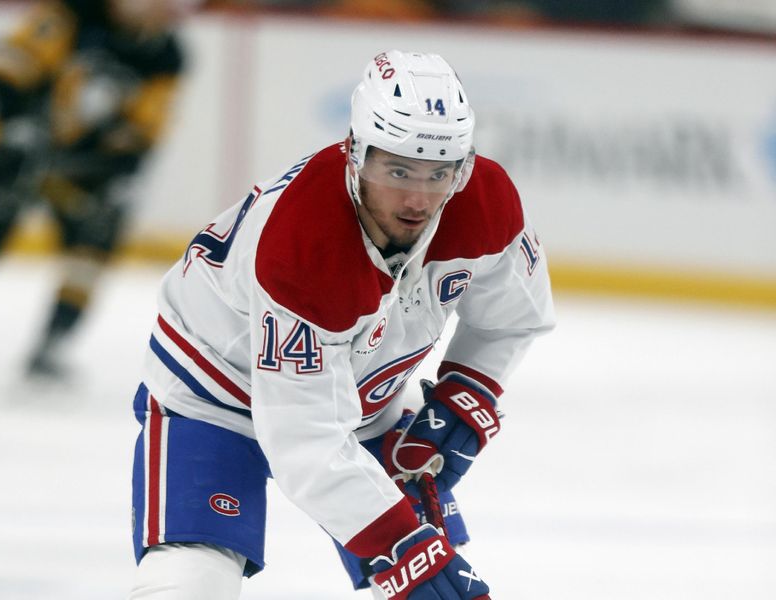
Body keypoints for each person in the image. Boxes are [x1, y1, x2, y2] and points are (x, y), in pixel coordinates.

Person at [129, 49, 555, 599]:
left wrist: (465, 391)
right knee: (190, 581)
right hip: (211, 394)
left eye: (439, 173)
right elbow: (304, 442)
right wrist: (407, 554)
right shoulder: (303, 244)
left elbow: (510, 321)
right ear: (355, 154)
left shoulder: (485, 203)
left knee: (439, 579)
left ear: (464, 166)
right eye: (397, 169)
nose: (417, 198)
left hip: (365, 400)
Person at [0, 0, 195, 378]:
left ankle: (53, 342)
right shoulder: (70, 12)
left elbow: (145, 128)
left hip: (86, 167)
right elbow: (6, 70)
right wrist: (20, 122)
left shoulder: (166, 53)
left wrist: (116, 164)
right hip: (23, 147)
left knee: (97, 236)